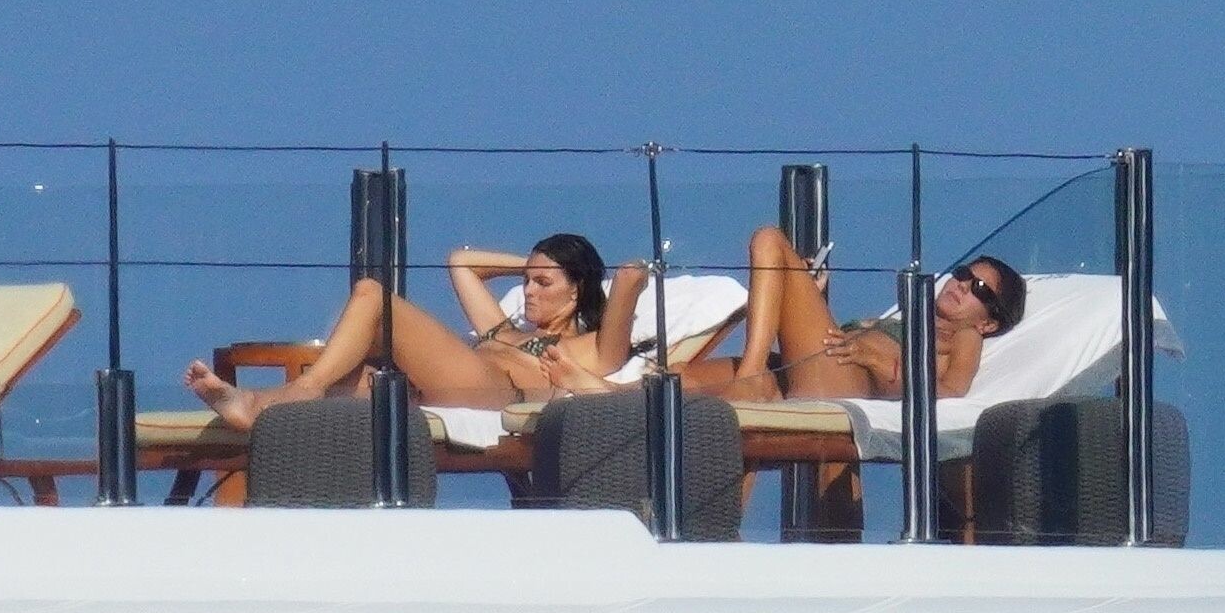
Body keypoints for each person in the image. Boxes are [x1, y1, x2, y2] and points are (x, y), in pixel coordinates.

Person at [186, 233, 647, 429]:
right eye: (526, 280)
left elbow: (627, 287)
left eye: (542, 283)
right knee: (352, 379)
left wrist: (618, 278)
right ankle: (254, 405)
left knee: (372, 296)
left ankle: (301, 390)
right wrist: (534, 265)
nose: (527, 290)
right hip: (441, 385)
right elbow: (461, 262)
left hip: (496, 392)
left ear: (577, 289)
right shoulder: (502, 330)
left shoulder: (585, 347)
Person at [544, 225, 1025, 402]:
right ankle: (608, 394)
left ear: (989, 321)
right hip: (815, 368)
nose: (962, 285)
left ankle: (753, 374)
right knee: (685, 377)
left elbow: (952, 389)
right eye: (964, 273)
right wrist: (808, 300)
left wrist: (879, 362)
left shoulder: (966, 337)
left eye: (979, 289)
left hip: (844, 381)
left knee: (769, 241)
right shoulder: (907, 316)